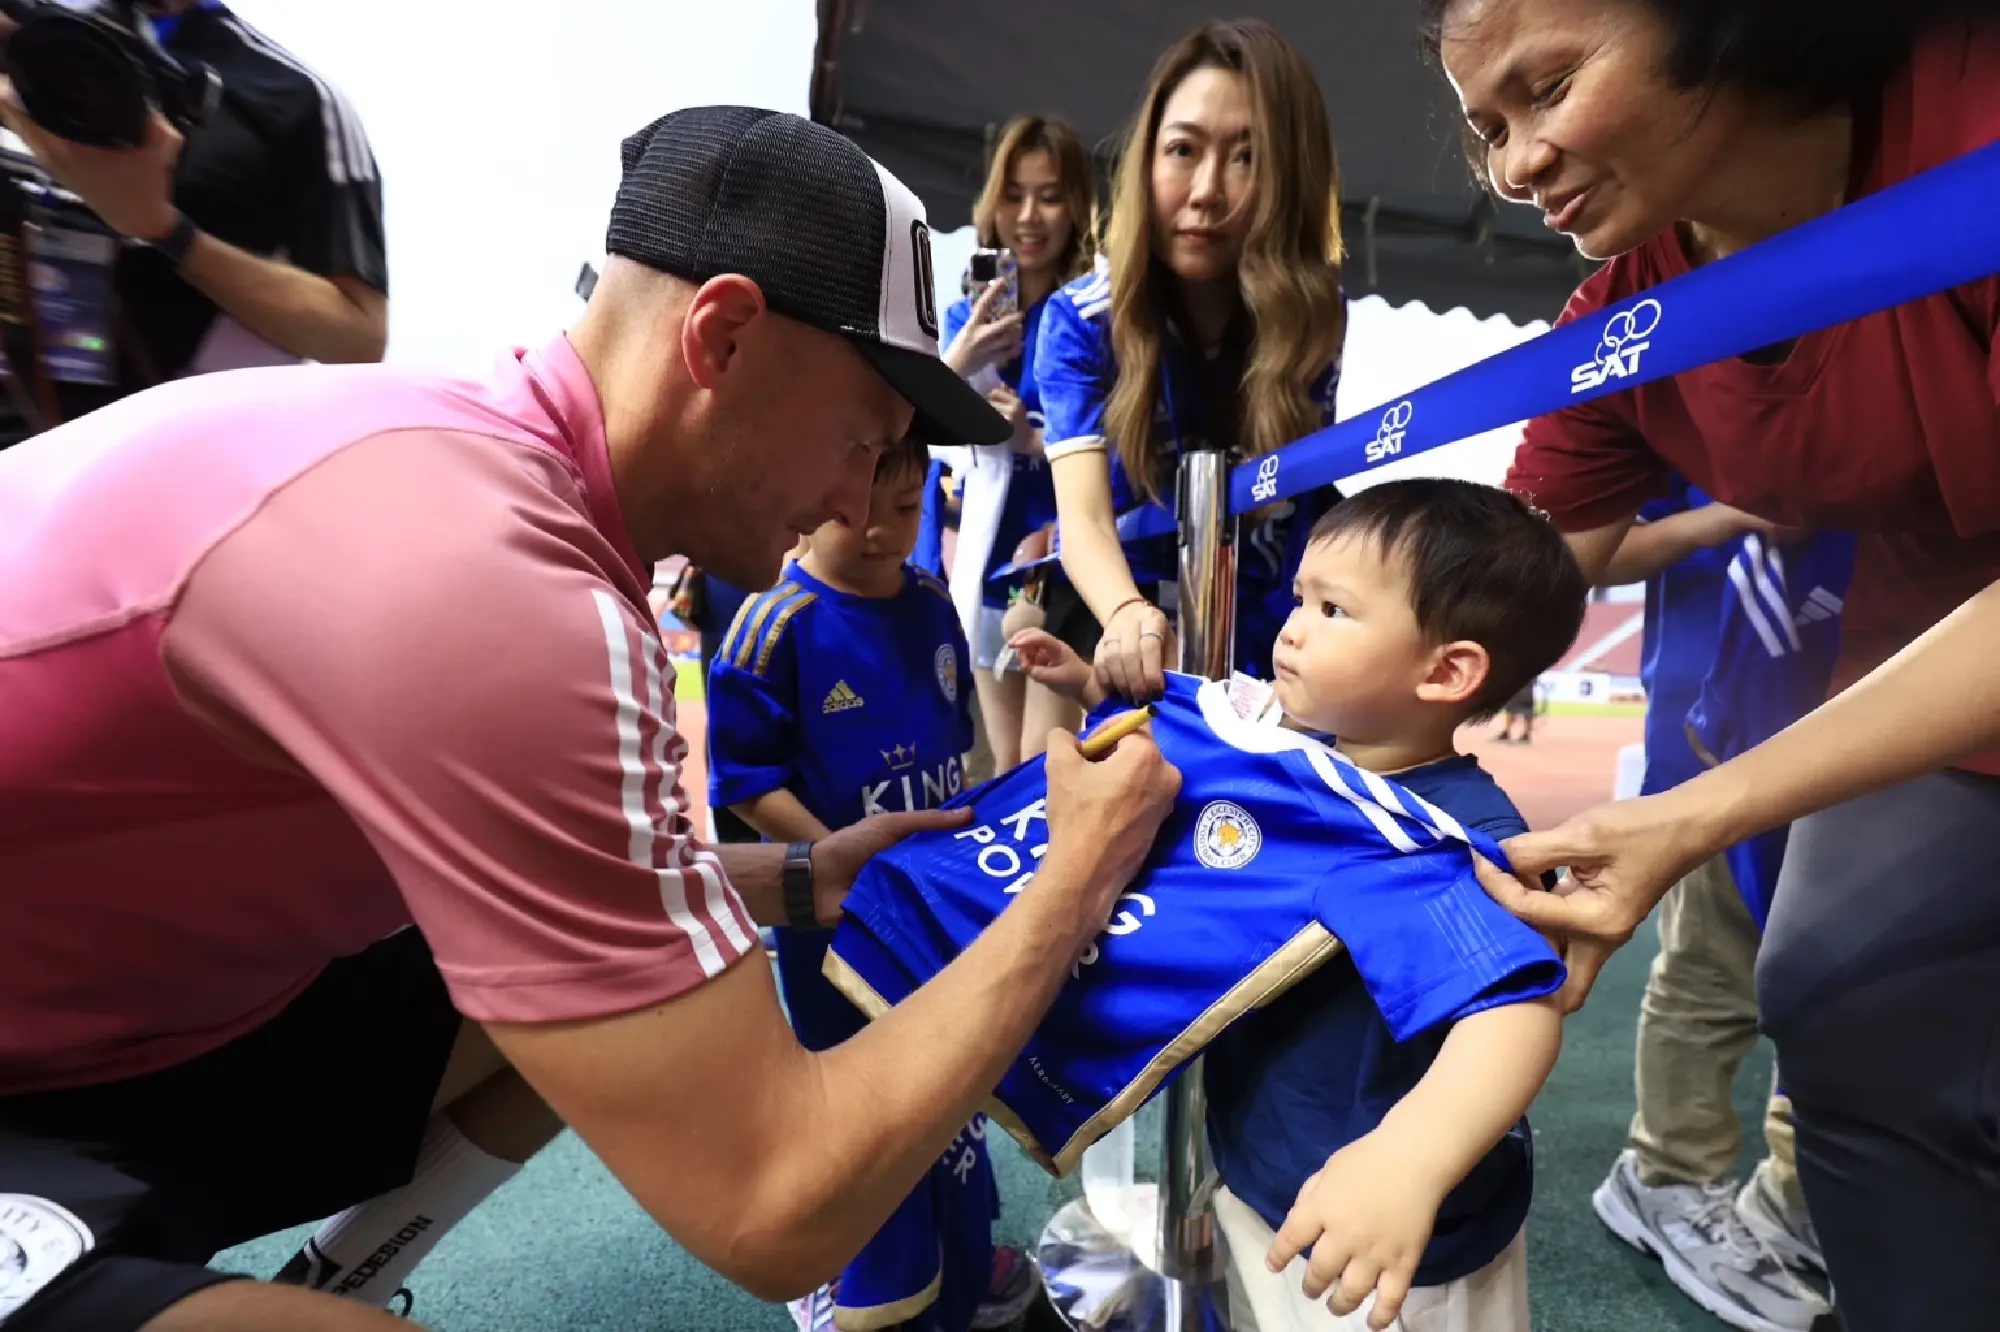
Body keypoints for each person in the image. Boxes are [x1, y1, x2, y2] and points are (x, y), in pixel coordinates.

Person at [0, 104, 1183, 1332]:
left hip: (118, 1023)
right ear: (721, 337)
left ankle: (292, 1277)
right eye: (861, 439)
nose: (858, 495)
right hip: (64, 1070)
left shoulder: (489, 464)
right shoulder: (486, 580)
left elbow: (599, 880)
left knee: (622, 990)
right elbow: (779, 1205)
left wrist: (794, 878)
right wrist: (1077, 874)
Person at [1424, 1, 2000, 1326]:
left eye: (1550, 85)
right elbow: (1496, 590)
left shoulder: (1972, 124)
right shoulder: (1628, 316)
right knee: (1840, 998)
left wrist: (1689, 814)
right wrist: (1277, 739)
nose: (1517, 164)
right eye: (1489, 129)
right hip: (1920, 666)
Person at [1014, 478, 1587, 1332]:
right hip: (1270, 1166)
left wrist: (1408, 1164)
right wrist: (1092, 693)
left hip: (1381, 1230)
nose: (1292, 626)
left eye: (1334, 611)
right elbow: (1213, 740)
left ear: (1447, 671)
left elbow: (1517, 1011)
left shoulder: (1438, 835)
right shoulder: (1311, 757)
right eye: (1300, 599)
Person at [707, 437, 1036, 1331]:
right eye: (849, 508)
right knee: (854, 1109)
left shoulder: (931, 602)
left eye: (901, 509)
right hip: (832, 931)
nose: (877, 531)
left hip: (930, 912)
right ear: (808, 502)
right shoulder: (771, 627)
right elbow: (741, 786)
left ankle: (962, 1254)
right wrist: (831, 865)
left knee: (948, 1086)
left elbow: (956, 738)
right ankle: (851, 1280)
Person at [1037, 17, 1348, 700]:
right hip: (1112, 603)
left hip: (1262, 616)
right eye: (1183, 149)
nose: (1208, 189)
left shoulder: (1316, 313)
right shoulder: (1079, 319)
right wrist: (1126, 616)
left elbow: (1296, 502)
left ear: (1291, 177)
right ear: (1147, 159)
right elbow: (1083, 518)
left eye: (1249, 157)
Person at [1589, 487, 1828, 1332]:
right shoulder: (1687, 379)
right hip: (1713, 739)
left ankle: (1799, 1193)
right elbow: (1580, 546)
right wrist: (1735, 517)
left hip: (1859, 713)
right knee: (1712, 973)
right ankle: (1667, 1178)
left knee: (1846, 980)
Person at [0, 1, 388, 447]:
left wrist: (166, 231)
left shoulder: (292, 95)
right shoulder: (34, 37)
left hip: (160, 459)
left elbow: (356, 337)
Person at [939, 114, 1099, 771]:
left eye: (1050, 195)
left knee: (1048, 758)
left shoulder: (1097, 311)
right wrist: (958, 361)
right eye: (1014, 194)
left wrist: (1034, 441)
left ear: (1078, 207)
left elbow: (1132, 445)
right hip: (982, 558)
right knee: (1005, 764)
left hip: (1064, 557)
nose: (1029, 215)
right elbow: (921, 436)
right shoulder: (962, 315)